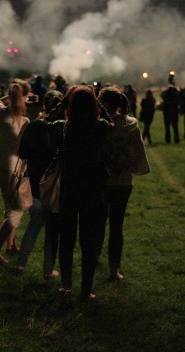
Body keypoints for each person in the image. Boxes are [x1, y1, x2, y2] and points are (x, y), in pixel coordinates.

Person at [48, 85, 113, 300]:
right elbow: (110, 122)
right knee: (89, 241)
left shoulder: (63, 127)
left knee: (66, 238)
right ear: (94, 106)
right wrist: (98, 104)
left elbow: (50, 117)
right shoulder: (100, 126)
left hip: (69, 188)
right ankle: (87, 288)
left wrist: (65, 102)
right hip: (93, 189)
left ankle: (67, 285)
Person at [98, 86, 150, 280]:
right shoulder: (131, 125)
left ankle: (94, 257)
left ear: (105, 104)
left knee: (99, 222)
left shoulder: (99, 126)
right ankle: (114, 269)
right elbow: (138, 153)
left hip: (102, 181)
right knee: (116, 226)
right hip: (123, 181)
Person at [15, 90, 64, 278]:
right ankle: (48, 269)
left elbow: (22, 153)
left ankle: (21, 264)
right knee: (52, 231)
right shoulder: (62, 127)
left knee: (34, 225)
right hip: (54, 186)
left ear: (44, 105)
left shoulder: (35, 125)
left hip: (35, 183)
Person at [0, 79, 31, 266]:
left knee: (9, 204)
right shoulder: (25, 121)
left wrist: (13, 95)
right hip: (14, 168)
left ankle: (10, 244)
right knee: (16, 210)